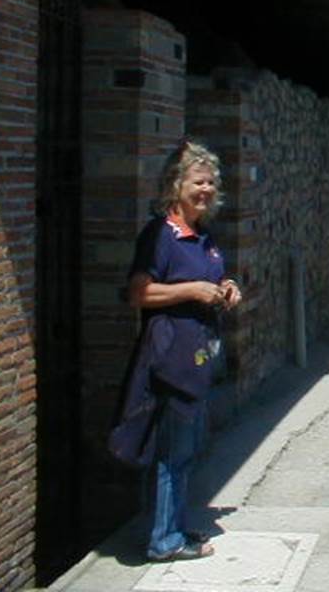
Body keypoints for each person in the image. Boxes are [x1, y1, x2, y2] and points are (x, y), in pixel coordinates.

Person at [127, 140, 241, 562]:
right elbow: (138, 292)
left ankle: (173, 527)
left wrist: (227, 289)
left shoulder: (203, 237)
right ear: (177, 185)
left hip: (197, 358)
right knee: (173, 452)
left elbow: (212, 278)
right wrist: (192, 290)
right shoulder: (161, 235)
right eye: (198, 181)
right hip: (170, 358)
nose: (206, 189)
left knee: (187, 450)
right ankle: (163, 540)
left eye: (211, 182)